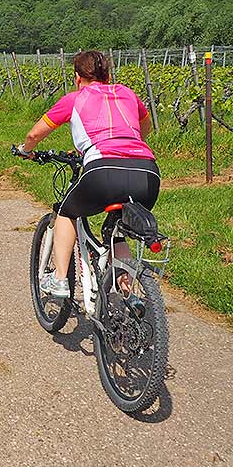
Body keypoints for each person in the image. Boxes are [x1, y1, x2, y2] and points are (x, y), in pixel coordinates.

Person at [15, 50, 160, 297]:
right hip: (147, 172)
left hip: (103, 169)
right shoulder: (127, 93)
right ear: (108, 75)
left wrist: (25, 151)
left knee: (67, 211)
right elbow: (145, 125)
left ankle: (59, 280)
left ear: (77, 77)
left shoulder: (74, 99)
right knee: (117, 228)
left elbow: (34, 135)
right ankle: (129, 296)